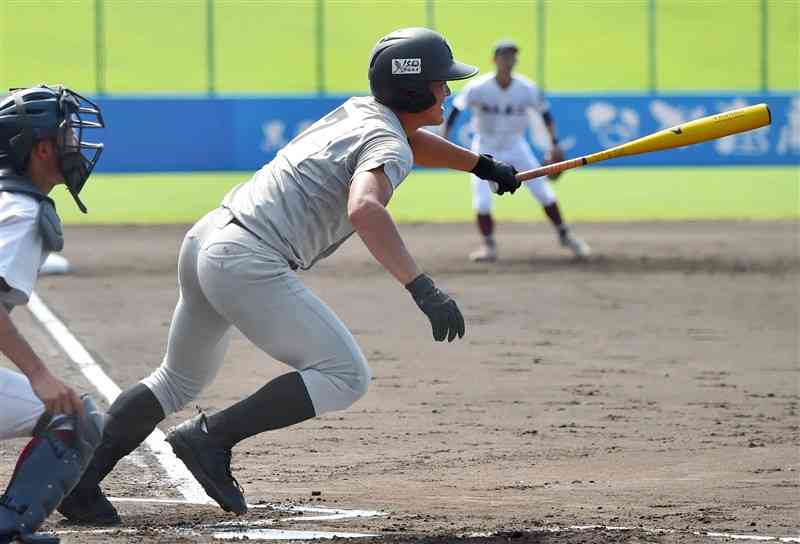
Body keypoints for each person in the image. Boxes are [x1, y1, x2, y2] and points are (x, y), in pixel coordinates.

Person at [58, 27, 521, 524]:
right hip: (245, 259)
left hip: (209, 237)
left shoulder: (362, 111)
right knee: (345, 376)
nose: (448, 91)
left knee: (176, 380)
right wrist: (420, 286)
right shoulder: (389, 140)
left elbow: (407, 142)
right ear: (412, 91)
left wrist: (482, 166)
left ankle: (77, 485)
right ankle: (209, 439)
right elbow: (366, 207)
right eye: (438, 82)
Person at [0, 85, 106, 543]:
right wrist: (40, 373)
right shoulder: (21, 212)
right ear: (42, 149)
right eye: (68, 137)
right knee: (75, 416)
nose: (76, 147)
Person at [444, 39, 590, 262]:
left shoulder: (526, 88)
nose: (509, 60)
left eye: (512, 56)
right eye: (504, 56)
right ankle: (489, 246)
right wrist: (445, 135)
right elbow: (456, 109)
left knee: (543, 192)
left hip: (516, 146)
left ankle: (565, 235)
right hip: (485, 147)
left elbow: (545, 114)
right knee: (482, 200)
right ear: (495, 60)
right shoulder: (479, 87)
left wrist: (554, 143)